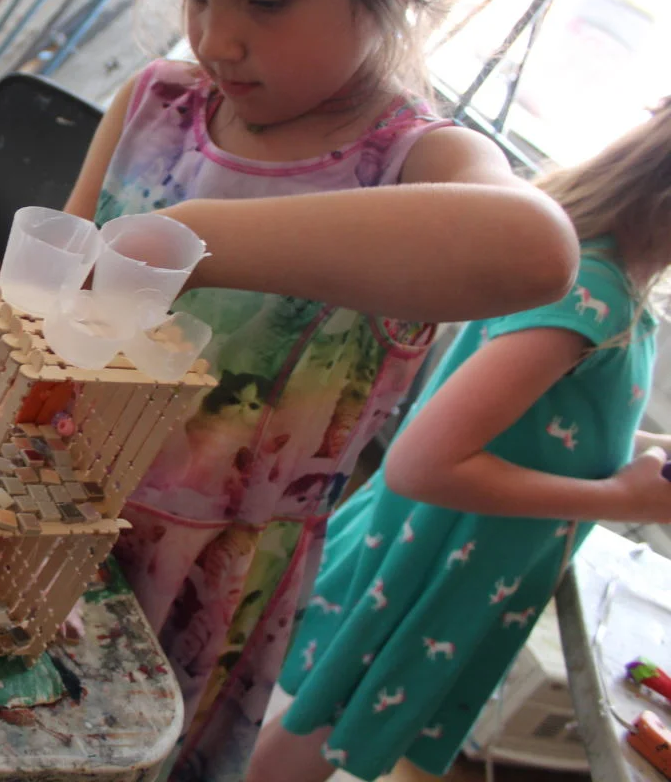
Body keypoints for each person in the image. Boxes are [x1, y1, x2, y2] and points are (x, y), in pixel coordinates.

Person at [60, 0, 580, 778]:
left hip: (205, 591)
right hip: (55, 515)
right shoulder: (154, 107)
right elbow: (46, 309)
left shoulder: (414, 167)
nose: (216, 38)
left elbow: (536, 247)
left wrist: (198, 238)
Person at [252, 99, 671, 782]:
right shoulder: (594, 293)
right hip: (433, 564)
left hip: (454, 561)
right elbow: (423, 462)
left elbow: (558, 425)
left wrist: (642, 449)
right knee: (301, 738)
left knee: (313, 722)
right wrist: (621, 498)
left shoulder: (620, 284)